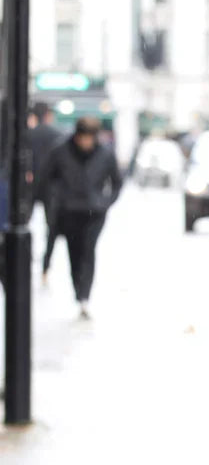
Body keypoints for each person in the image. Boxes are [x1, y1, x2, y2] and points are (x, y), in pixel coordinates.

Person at [38, 117, 122, 319]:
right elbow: (46, 179)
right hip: (69, 211)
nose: (86, 142)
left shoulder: (105, 154)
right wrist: (56, 200)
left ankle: (85, 295)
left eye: (89, 138)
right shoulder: (60, 151)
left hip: (94, 212)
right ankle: (79, 292)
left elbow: (117, 182)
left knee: (88, 250)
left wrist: (105, 202)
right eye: (83, 138)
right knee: (75, 253)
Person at [27, 102, 66, 284]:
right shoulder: (57, 136)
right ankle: (45, 267)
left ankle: (25, 257)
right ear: (48, 115)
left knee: (23, 223)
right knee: (51, 229)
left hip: (30, 186)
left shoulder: (28, 135)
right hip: (51, 188)